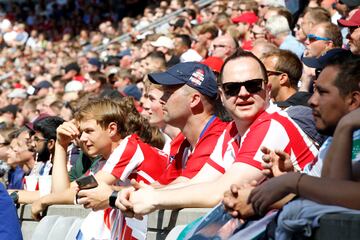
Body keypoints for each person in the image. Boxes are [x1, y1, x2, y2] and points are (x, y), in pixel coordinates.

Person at [116, 51, 317, 219]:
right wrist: (143, 194)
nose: (244, 93)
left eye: (253, 85)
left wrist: (154, 199)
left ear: (268, 89)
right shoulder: (232, 131)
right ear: (222, 95)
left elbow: (218, 191)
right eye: (232, 88)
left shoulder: (271, 125)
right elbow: (198, 181)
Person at [247, 55, 360, 239]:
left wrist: (292, 182)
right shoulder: (336, 133)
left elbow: (339, 195)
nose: (311, 101)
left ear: (353, 101)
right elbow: (333, 189)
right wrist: (285, 179)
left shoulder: (344, 129)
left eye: (322, 93)